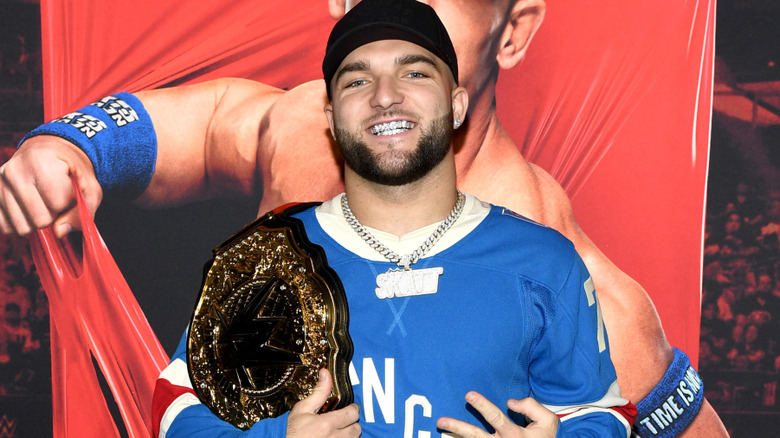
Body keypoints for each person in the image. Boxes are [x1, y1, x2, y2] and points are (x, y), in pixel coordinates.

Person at [0, 0, 726, 436]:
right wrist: (71, 145)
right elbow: (202, 123)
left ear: (513, 30)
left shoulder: (576, 289)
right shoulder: (300, 137)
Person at [152, 1, 634, 436]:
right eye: (357, 80)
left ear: (456, 104)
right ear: (332, 116)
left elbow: (600, 414)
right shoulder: (267, 256)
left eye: (415, 74)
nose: (385, 95)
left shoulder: (542, 260)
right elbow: (179, 409)